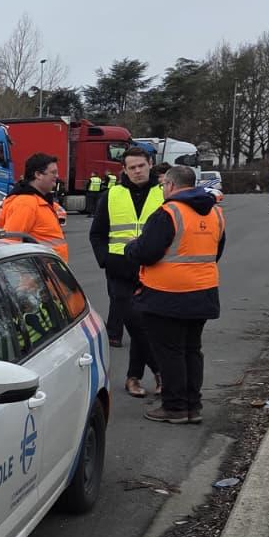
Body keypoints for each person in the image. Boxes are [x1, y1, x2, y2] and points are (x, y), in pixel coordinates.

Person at [124, 165, 225, 424]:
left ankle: (175, 407)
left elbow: (147, 252)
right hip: (203, 291)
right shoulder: (215, 212)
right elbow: (216, 252)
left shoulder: (168, 212)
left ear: (169, 185)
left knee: (170, 352)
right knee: (192, 349)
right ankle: (193, 405)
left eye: (163, 186)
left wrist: (130, 248)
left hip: (167, 294)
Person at [89, 147, 163, 396]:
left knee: (145, 326)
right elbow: (97, 233)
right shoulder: (112, 195)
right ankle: (159, 371)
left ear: (150, 164)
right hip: (120, 271)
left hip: (154, 269)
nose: (137, 171)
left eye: (141, 165)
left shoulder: (164, 194)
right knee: (134, 323)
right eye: (132, 167)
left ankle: (133, 378)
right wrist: (106, 260)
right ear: (124, 170)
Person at [0, 152, 69, 260]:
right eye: (53, 172)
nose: (57, 176)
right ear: (38, 175)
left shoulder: (38, 201)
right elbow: (11, 243)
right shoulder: (26, 203)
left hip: (47, 270)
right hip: (38, 272)